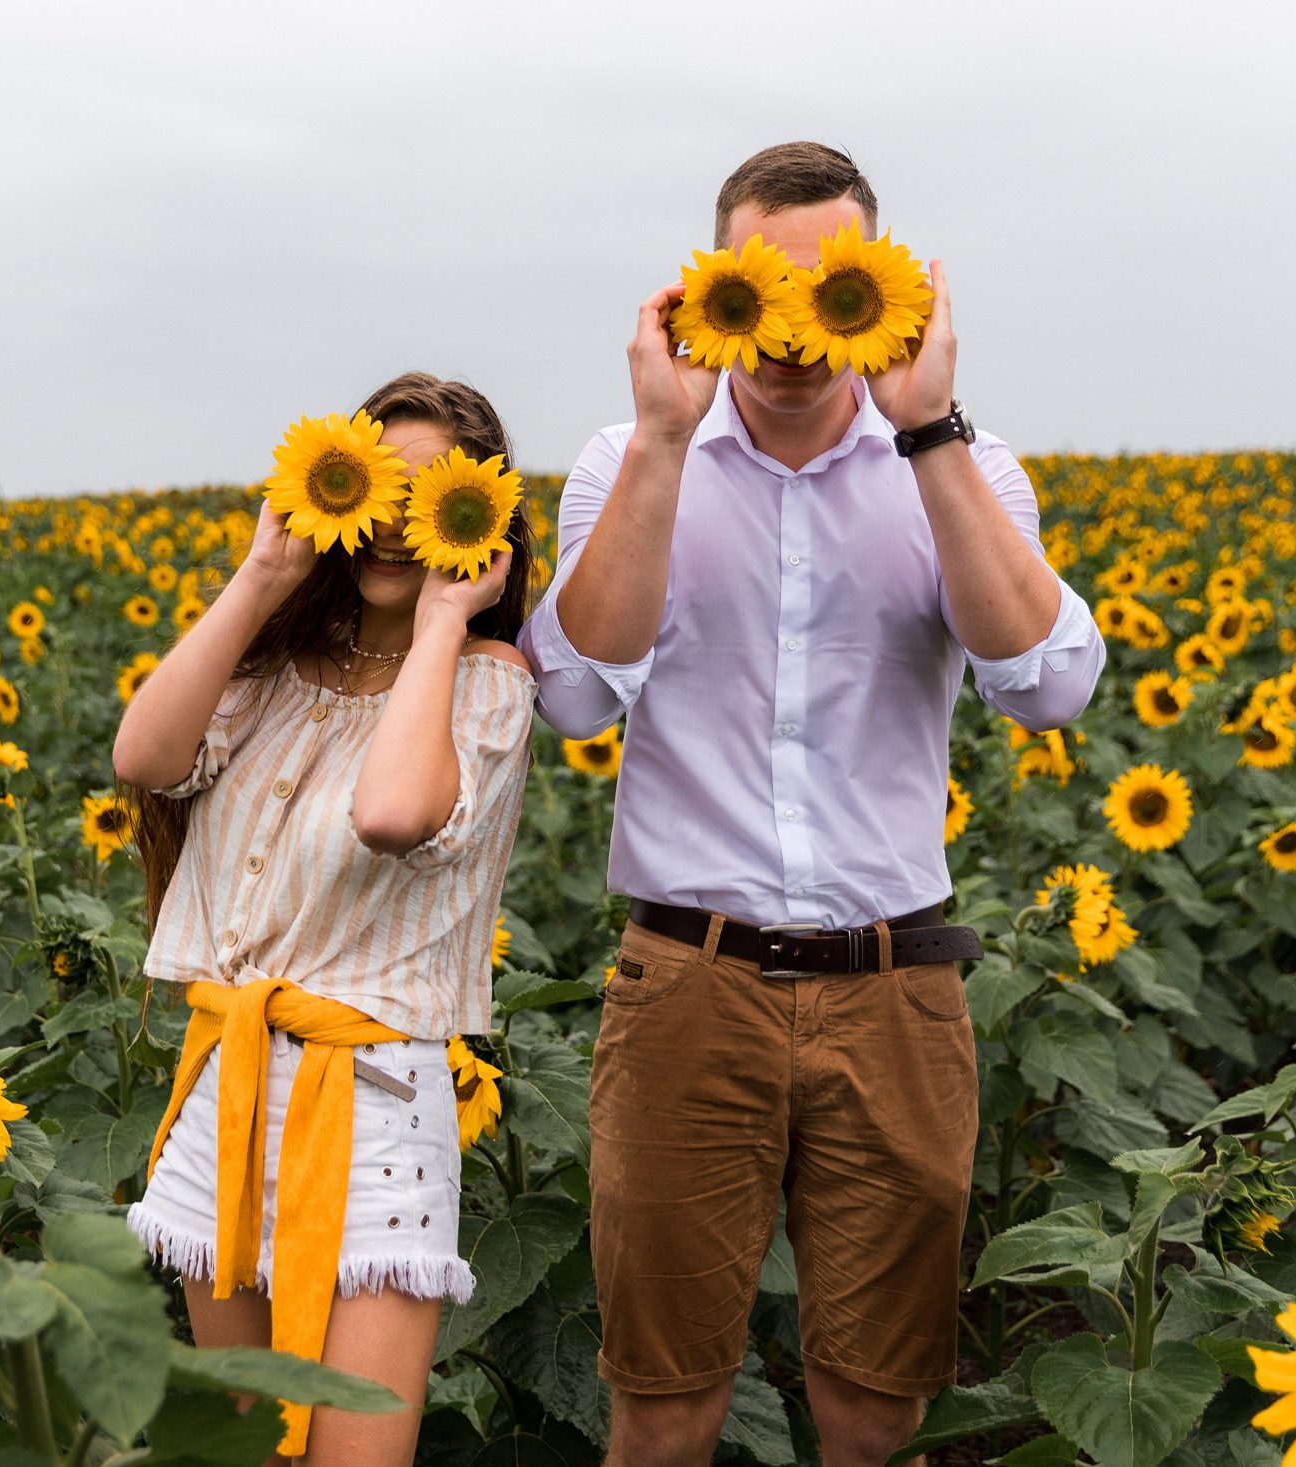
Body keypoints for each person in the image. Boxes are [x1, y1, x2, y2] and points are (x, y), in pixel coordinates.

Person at [517, 143, 1105, 1467]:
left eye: (830, 287)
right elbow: (572, 695)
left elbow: (1050, 685)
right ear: (707, 287)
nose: (790, 327)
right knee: (662, 1403)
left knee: (876, 1405)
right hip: (689, 978)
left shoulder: (964, 465)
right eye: (759, 289)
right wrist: (670, 435)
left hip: (896, 984)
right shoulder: (628, 458)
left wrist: (931, 429)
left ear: (885, 291)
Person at [112, 373, 537, 1464]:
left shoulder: (484, 682)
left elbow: (394, 813)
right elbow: (144, 760)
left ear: (478, 512)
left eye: (430, 495)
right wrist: (264, 573)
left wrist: (447, 615)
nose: (394, 523)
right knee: (243, 1448)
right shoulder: (267, 674)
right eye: (374, 490)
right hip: (230, 1092)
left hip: (375, 1115)